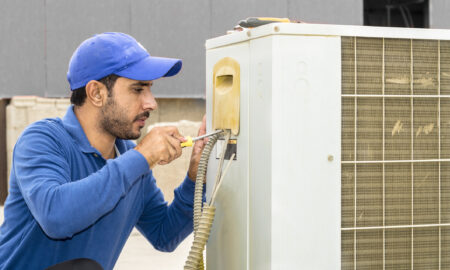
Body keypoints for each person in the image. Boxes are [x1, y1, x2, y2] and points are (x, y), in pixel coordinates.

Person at [0, 32, 207, 270]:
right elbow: (55, 217)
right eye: (138, 89)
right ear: (96, 93)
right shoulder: (42, 140)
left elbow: (164, 234)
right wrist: (142, 157)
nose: (151, 103)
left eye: (150, 89)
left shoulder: (128, 156)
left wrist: (196, 176)